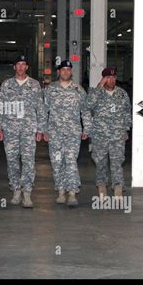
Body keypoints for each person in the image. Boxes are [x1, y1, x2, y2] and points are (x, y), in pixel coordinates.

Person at [0, 55, 46, 208]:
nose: (21, 67)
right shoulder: (6, 85)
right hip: (10, 130)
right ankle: (16, 190)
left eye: (24, 64)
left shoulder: (35, 85)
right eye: (18, 64)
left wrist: (41, 129)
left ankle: (27, 193)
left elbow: (41, 108)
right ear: (14, 67)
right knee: (12, 161)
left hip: (28, 130)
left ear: (27, 67)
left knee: (28, 161)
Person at [43, 60, 91, 207]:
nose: (65, 72)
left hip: (73, 133)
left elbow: (86, 111)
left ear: (71, 72)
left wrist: (86, 129)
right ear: (58, 72)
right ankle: (61, 191)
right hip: (55, 132)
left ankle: (72, 192)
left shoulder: (78, 90)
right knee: (57, 162)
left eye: (68, 70)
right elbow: (44, 111)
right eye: (63, 69)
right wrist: (44, 129)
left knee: (70, 161)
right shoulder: (50, 89)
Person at [87, 67, 132, 199]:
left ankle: (118, 187)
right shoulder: (97, 93)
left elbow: (127, 113)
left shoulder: (122, 94)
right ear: (103, 79)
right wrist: (99, 86)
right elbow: (88, 105)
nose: (111, 80)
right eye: (108, 78)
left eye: (113, 77)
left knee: (117, 162)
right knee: (100, 162)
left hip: (117, 135)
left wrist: (126, 129)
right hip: (100, 135)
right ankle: (102, 186)